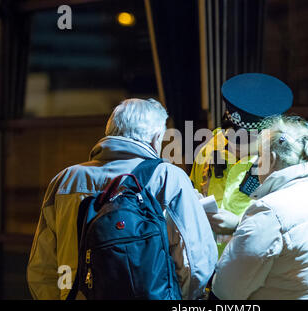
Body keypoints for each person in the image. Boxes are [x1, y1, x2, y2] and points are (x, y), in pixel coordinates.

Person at [27, 98, 218, 300]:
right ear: (156, 138)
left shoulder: (64, 181)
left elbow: (42, 268)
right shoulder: (167, 178)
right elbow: (196, 263)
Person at [211, 115, 308, 300]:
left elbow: (226, 290)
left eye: (259, 157)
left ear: (272, 159)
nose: (257, 165)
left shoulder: (268, 211)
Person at [190, 73, 308, 255]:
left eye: (248, 138)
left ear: (271, 134)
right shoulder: (212, 144)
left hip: (261, 269)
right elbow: (194, 189)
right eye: (231, 132)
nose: (235, 141)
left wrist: (239, 225)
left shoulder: (298, 161)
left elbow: (305, 224)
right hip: (209, 265)